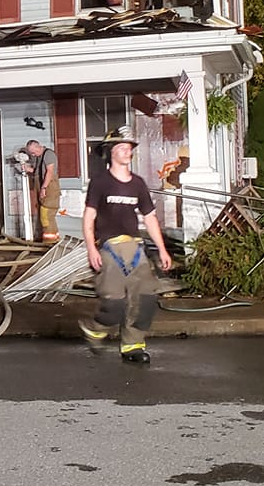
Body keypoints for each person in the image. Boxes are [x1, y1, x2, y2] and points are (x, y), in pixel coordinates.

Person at [78, 126, 173, 364]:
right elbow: (89, 216)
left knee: (145, 300)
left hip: (135, 248)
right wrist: (91, 248)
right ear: (110, 152)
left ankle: (132, 346)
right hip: (110, 249)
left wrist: (162, 249)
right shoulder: (100, 183)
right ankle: (95, 329)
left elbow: (149, 217)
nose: (127, 151)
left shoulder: (138, 184)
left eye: (129, 147)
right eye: (121, 147)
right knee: (114, 304)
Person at [24, 139, 61, 243]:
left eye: (33, 152)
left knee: (46, 216)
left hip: (49, 189)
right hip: (41, 189)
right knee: (43, 215)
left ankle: (50, 242)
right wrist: (27, 169)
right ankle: (51, 240)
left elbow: (49, 172)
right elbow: (38, 171)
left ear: (38, 146)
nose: (32, 154)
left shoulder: (49, 155)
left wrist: (43, 188)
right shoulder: (38, 157)